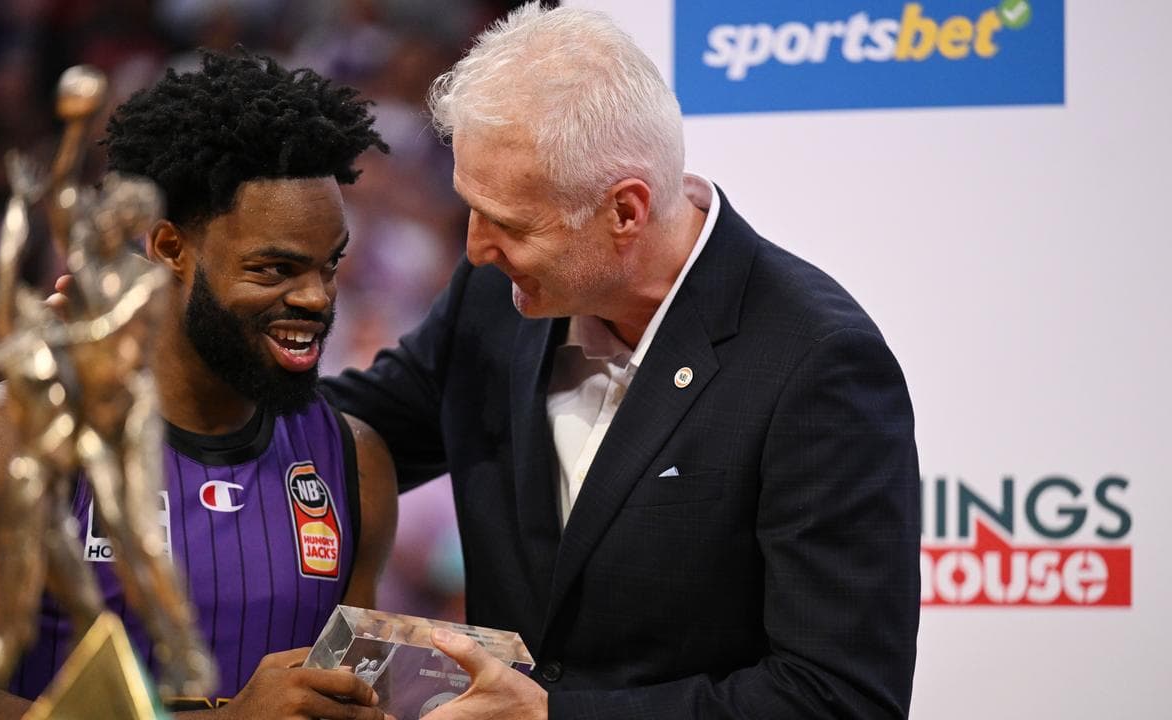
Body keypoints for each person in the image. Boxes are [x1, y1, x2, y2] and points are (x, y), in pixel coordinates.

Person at [322, 4, 921, 719]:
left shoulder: (819, 365)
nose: (475, 247)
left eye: (508, 224)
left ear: (626, 212)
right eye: (471, 209)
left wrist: (553, 717)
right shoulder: (496, 296)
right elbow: (354, 429)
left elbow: (839, 698)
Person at [0, 52, 396, 720]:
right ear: (168, 247)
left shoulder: (353, 461)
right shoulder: (4, 435)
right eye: (275, 269)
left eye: (329, 265)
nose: (316, 297)